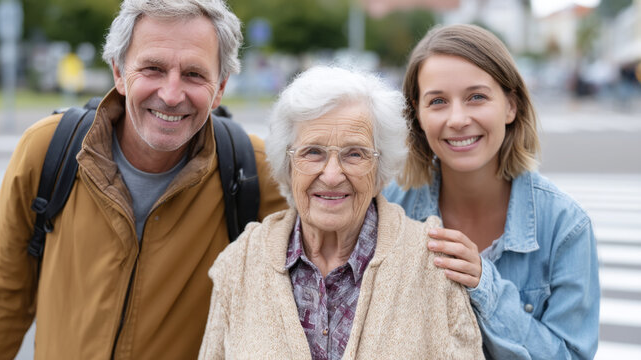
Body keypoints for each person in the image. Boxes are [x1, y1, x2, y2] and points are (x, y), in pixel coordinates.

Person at [0, 0, 287, 358]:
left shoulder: (256, 171)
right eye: (152, 68)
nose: (170, 94)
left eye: (195, 74)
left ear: (221, 87)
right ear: (119, 72)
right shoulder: (46, 151)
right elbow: (4, 297)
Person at [198, 66, 484, 359]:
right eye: (312, 152)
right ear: (288, 164)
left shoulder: (433, 264)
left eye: (355, 154)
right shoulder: (241, 264)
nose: (332, 175)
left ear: (379, 169)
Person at [382, 24, 600, 359]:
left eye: (477, 97)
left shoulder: (565, 226)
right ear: (418, 116)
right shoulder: (389, 210)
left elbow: (572, 354)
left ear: (511, 106)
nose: (457, 119)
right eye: (438, 101)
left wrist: (486, 285)